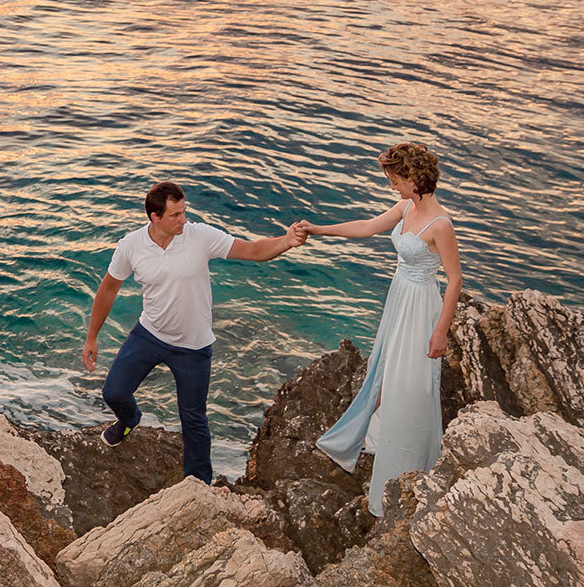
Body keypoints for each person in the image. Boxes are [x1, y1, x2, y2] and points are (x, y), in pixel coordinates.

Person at [83, 180, 310, 482]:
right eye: (175, 215)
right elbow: (108, 289)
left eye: (184, 212)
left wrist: (286, 241)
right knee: (114, 392)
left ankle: (198, 483)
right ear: (155, 217)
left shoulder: (200, 236)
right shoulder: (131, 246)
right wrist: (92, 337)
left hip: (193, 346)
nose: (183, 220)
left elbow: (252, 250)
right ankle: (129, 420)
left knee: (193, 419)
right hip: (150, 334)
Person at [304, 142, 462, 516]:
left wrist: (440, 333)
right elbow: (367, 228)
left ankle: (408, 469)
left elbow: (454, 281)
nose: (391, 186)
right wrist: (317, 229)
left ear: (413, 179)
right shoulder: (406, 206)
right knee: (387, 374)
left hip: (421, 305)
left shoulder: (441, 224)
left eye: (394, 179)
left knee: (412, 387)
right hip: (399, 298)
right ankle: (373, 442)